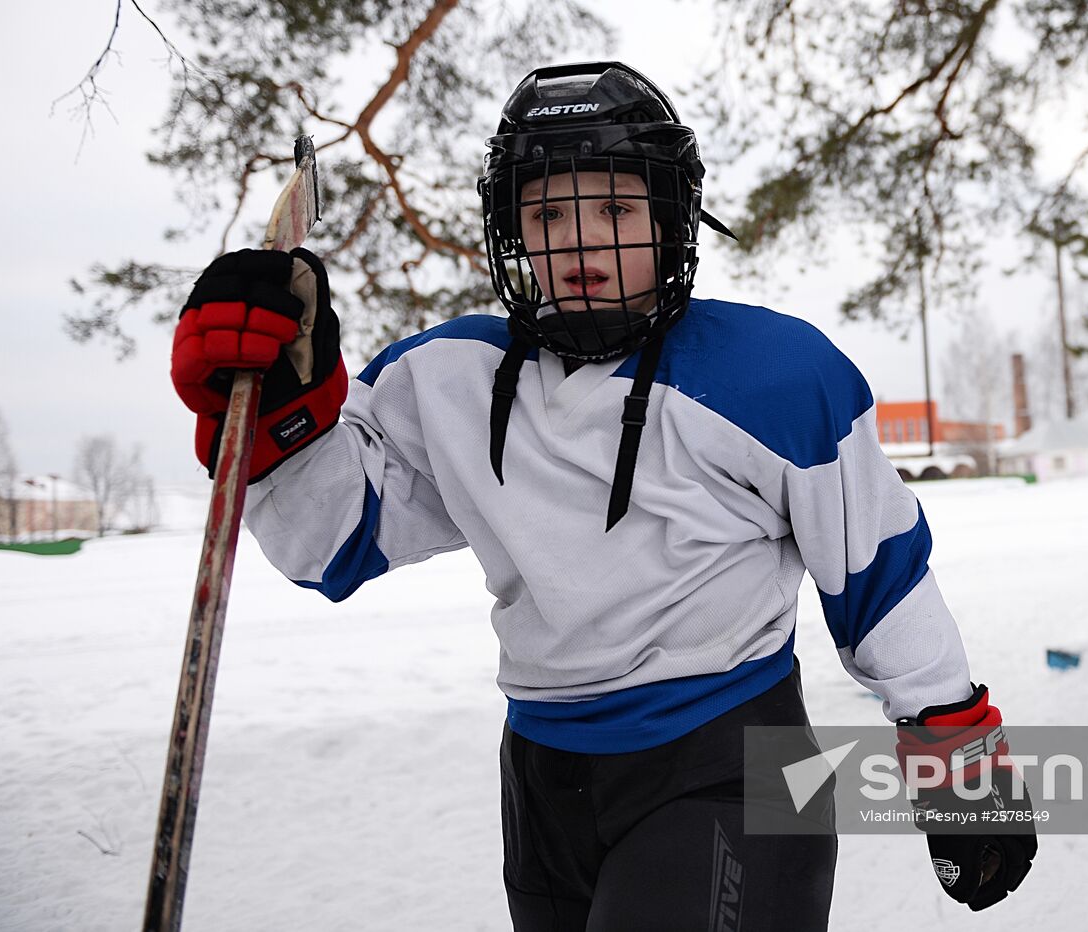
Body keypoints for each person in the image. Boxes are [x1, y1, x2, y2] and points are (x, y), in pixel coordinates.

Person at [169, 61, 1035, 930]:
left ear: (670, 219)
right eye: (547, 213)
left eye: (615, 210)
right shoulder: (448, 381)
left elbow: (879, 577)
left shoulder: (775, 376)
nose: (581, 242)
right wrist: (286, 406)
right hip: (544, 785)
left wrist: (963, 766)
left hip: (732, 767)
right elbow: (328, 548)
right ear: (512, 230)